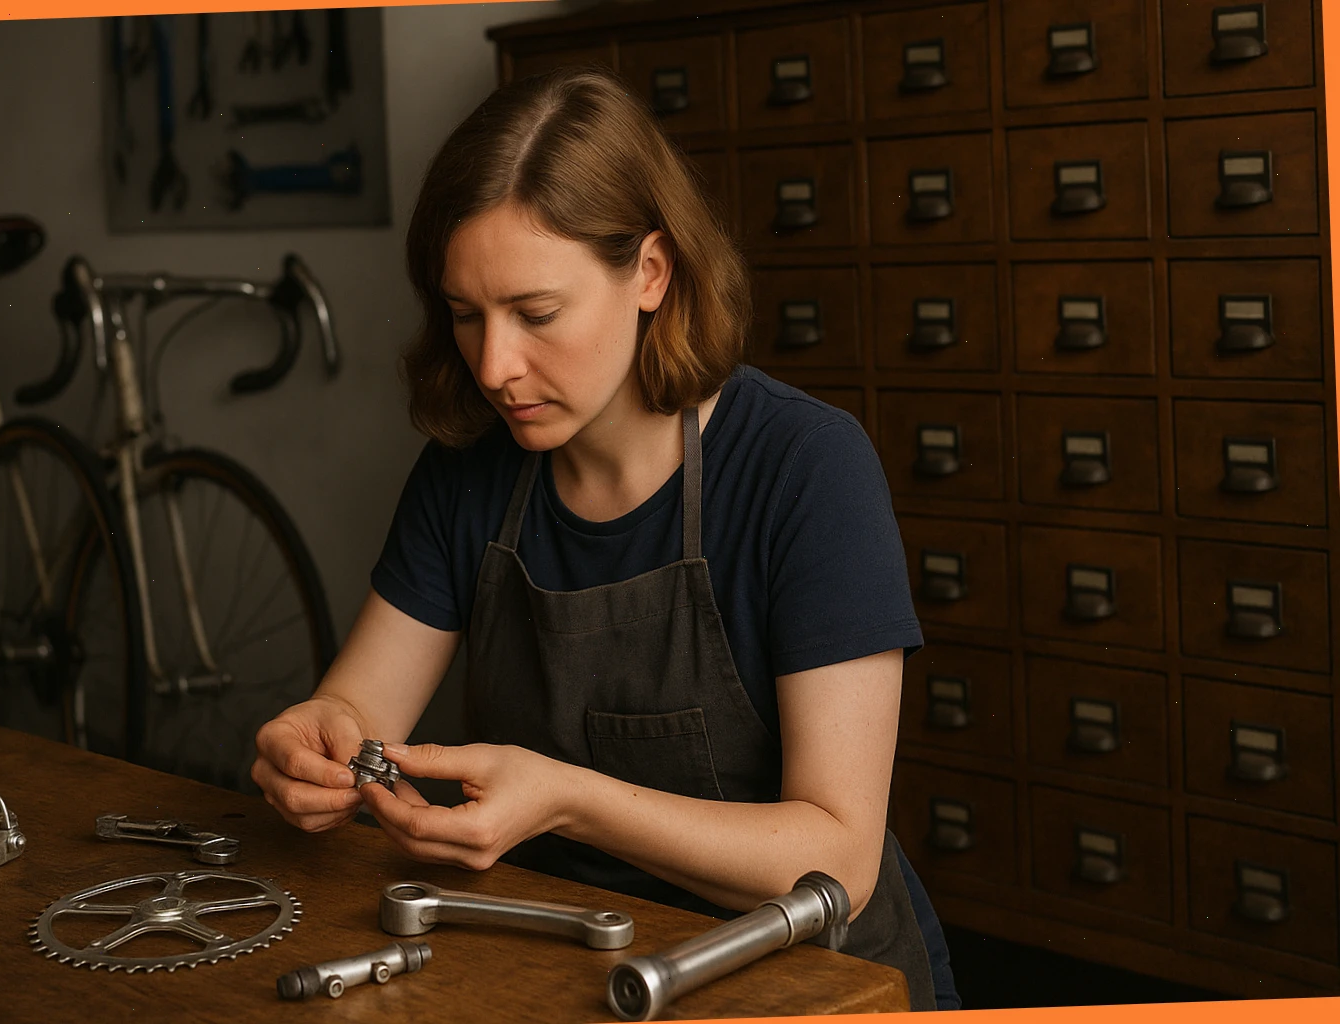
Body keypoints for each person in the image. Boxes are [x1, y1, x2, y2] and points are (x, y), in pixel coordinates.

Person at [252, 65, 959, 1012]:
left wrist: (566, 799)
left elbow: (838, 858)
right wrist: (311, 747)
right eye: (466, 315)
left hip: (813, 986)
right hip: (561, 959)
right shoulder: (469, 475)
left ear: (651, 275)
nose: (496, 366)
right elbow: (354, 709)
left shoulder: (805, 468)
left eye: (536, 315)